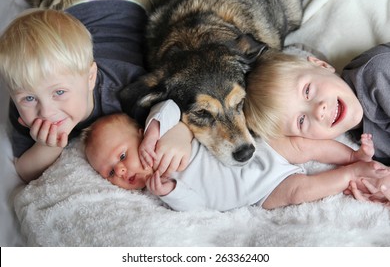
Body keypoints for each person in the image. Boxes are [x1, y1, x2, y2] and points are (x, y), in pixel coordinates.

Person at [83, 99, 390, 211]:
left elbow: (171, 106)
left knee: (302, 145)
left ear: (139, 133)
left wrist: (156, 130)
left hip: (261, 151)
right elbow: (198, 207)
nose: (121, 172)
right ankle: (348, 174)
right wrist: (172, 193)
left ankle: (351, 157)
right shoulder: (160, 189)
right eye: (110, 173)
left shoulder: (160, 133)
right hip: (260, 192)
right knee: (300, 192)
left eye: (121, 156)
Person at [0, 0, 161, 182]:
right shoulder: (23, 106)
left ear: (90, 77)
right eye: (30, 98)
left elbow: (171, 108)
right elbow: (25, 171)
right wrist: (49, 146)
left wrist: (178, 136)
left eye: (59, 92)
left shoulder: (124, 88)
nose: (47, 112)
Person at [243, 48, 390, 203]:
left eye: (307, 90)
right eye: (301, 121)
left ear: (322, 65)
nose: (318, 111)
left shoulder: (378, 74)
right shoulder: (359, 142)